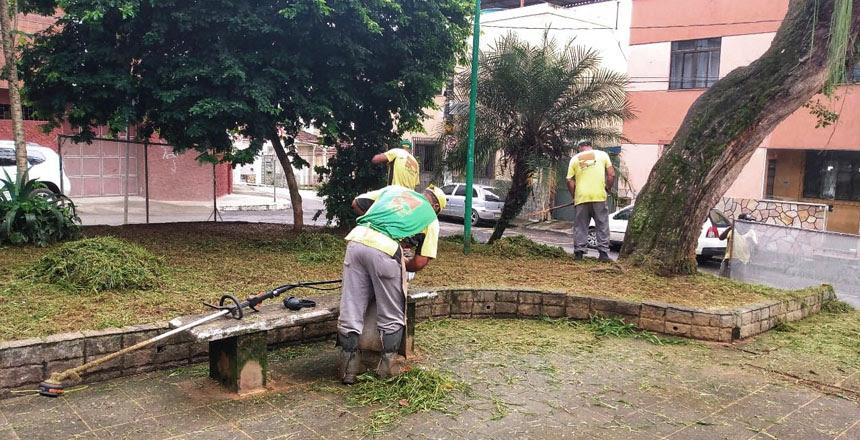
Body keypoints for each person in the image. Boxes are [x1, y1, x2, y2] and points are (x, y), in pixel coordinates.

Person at [337, 184, 447, 384]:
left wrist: (379, 224)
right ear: (437, 208)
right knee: (392, 314)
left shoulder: (394, 191)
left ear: (423, 194)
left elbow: (356, 203)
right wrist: (402, 261)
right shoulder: (430, 218)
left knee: (350, 309)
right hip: (386, 251)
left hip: (357, 240)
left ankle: (348, 371)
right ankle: (385, 370)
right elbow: (420, 262)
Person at [566, 140, 615, 261]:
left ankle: (579, 253)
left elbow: (569, 180)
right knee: (602, 224)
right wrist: (608, 188)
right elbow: (611, 174)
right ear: (590, 146)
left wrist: (574, 196)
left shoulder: (574, 159)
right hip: (598, 196)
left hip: (581, 197)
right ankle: (603, 254)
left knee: (581, 226)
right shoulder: (602, 155)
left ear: (580, 147)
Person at [720, 213, 759, 278]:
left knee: (739, 281)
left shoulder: (751, 233)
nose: (749, 224)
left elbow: (756, 249)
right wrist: (730, 227)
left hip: (742, 261)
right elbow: (721, 237)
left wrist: (752, 242)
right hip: (729, 259)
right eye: (747, 222)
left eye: (749, 222)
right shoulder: (733, 230)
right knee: (723, 279)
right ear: (741, 222)